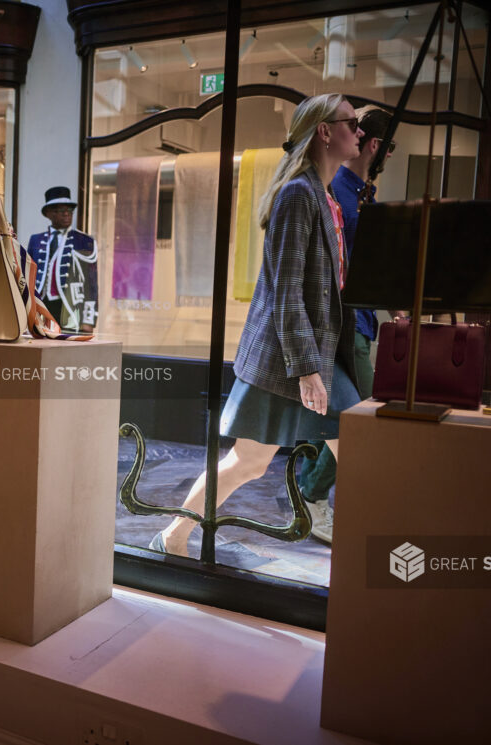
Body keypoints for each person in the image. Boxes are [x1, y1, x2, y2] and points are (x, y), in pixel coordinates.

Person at [150, 94, 363, 557]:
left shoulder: (325, 198)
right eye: (352, 122)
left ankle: (372, 558)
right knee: (248, 462)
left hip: (316, 355)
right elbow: (285, 292)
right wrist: (307, 369)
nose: (360, 132)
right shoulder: (298, 195)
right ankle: (173, 535)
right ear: (325, 131)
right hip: (287, 356)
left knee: (356, 453)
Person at [296, 107, 394, 544]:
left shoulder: (355, 193)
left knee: (336, 418)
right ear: (377, 146)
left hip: (355, 322)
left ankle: (311, 498)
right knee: (357, 418)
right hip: (343, 325)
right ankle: (312, 495)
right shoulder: (336, 193)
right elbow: (334, 271)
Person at [25, 186, 98, 333]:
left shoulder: (84, 241)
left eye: (69, 211)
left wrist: (88, 320)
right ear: (49, 214)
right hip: (40, 305)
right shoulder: (36, 240)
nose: (67, 214)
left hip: (69, 307)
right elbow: (28, 276)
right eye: (61, 211)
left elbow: (91, 284)